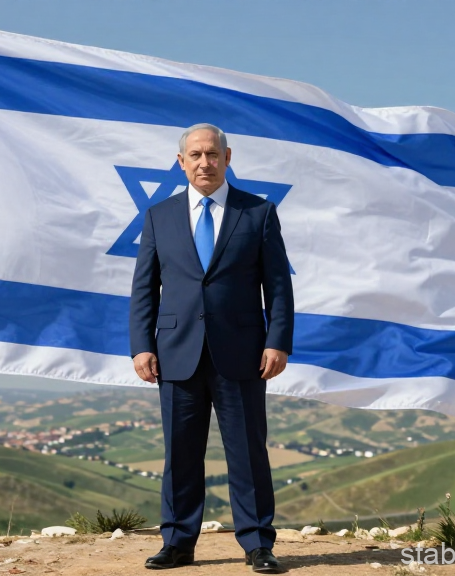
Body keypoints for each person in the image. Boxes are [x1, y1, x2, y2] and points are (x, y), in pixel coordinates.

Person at [129, 123, 294, 572]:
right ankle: (178, 542)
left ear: (228, 157)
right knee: (180, 453)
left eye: (213, 154)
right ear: (181, 162)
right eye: (196, 155)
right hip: (176, 352)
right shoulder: (158, 216)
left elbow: (278, 286)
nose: (205, 162)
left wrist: (277, 341)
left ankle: (258, 544)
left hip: (242, 353)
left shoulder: (258, 213)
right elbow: (144, 289)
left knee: (248, 452)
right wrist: (141, 346)